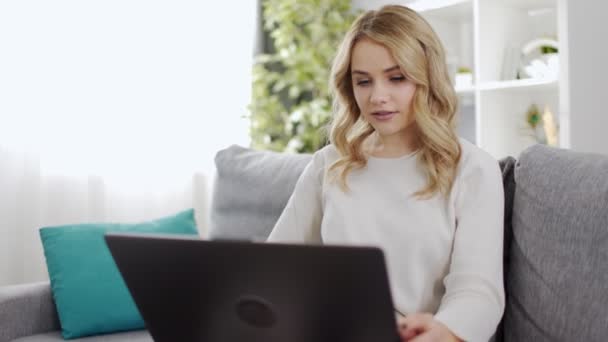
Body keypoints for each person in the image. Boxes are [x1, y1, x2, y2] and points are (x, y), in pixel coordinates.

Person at [267, 4, 505, 342]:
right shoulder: (329, 164)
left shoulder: (472, 168)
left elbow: (478, 291)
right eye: (363, 81)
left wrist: (444, 333)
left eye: (397, 78)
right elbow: (273, 265)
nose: (378, 97)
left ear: (427, 77)